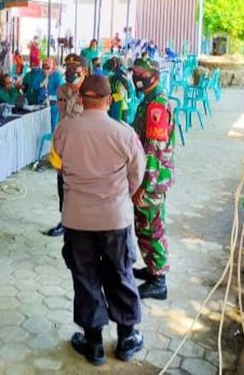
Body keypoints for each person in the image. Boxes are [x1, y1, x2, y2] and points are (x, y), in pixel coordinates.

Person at [53, 75, 145, 366]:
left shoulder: (65, 129)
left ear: (80, 99)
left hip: (77, 219)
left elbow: (57, 165)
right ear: (108, 101)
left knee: (85, 278)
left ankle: (93, 344)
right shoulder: (124, 133)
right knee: (120, 274)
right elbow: (137, 175)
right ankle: (127, 339)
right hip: (114, 218)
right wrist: (121, 195)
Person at [130, 64, 175, 300]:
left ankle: (159, 281)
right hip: (149, 178)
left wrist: (144, 186)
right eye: (135, 73)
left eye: (142, 75)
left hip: (151, 180)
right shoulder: (149, 98)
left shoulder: (156, 105)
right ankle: (151, 268)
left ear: (155, 77)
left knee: (151, 226)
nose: (137, 78)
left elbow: (154, 151)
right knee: (145, 226)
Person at [43, 54, 87, 238]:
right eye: (67, 69)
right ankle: (65, 221)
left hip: (84, 148)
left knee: (82, 188)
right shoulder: (62, 90)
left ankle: (83, 226)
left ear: (84, 71)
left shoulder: (91, 93)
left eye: (74, 70)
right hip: (64, 147)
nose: (69, 73)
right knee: (63, 186)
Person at [104, 56, 134, 122]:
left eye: (107, 70)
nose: (105, 73)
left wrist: (109, 98)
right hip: (117, 105)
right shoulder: (118, 75)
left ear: (111, 69)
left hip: (120, 107)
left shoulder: (118, 79)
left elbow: (122, 94)